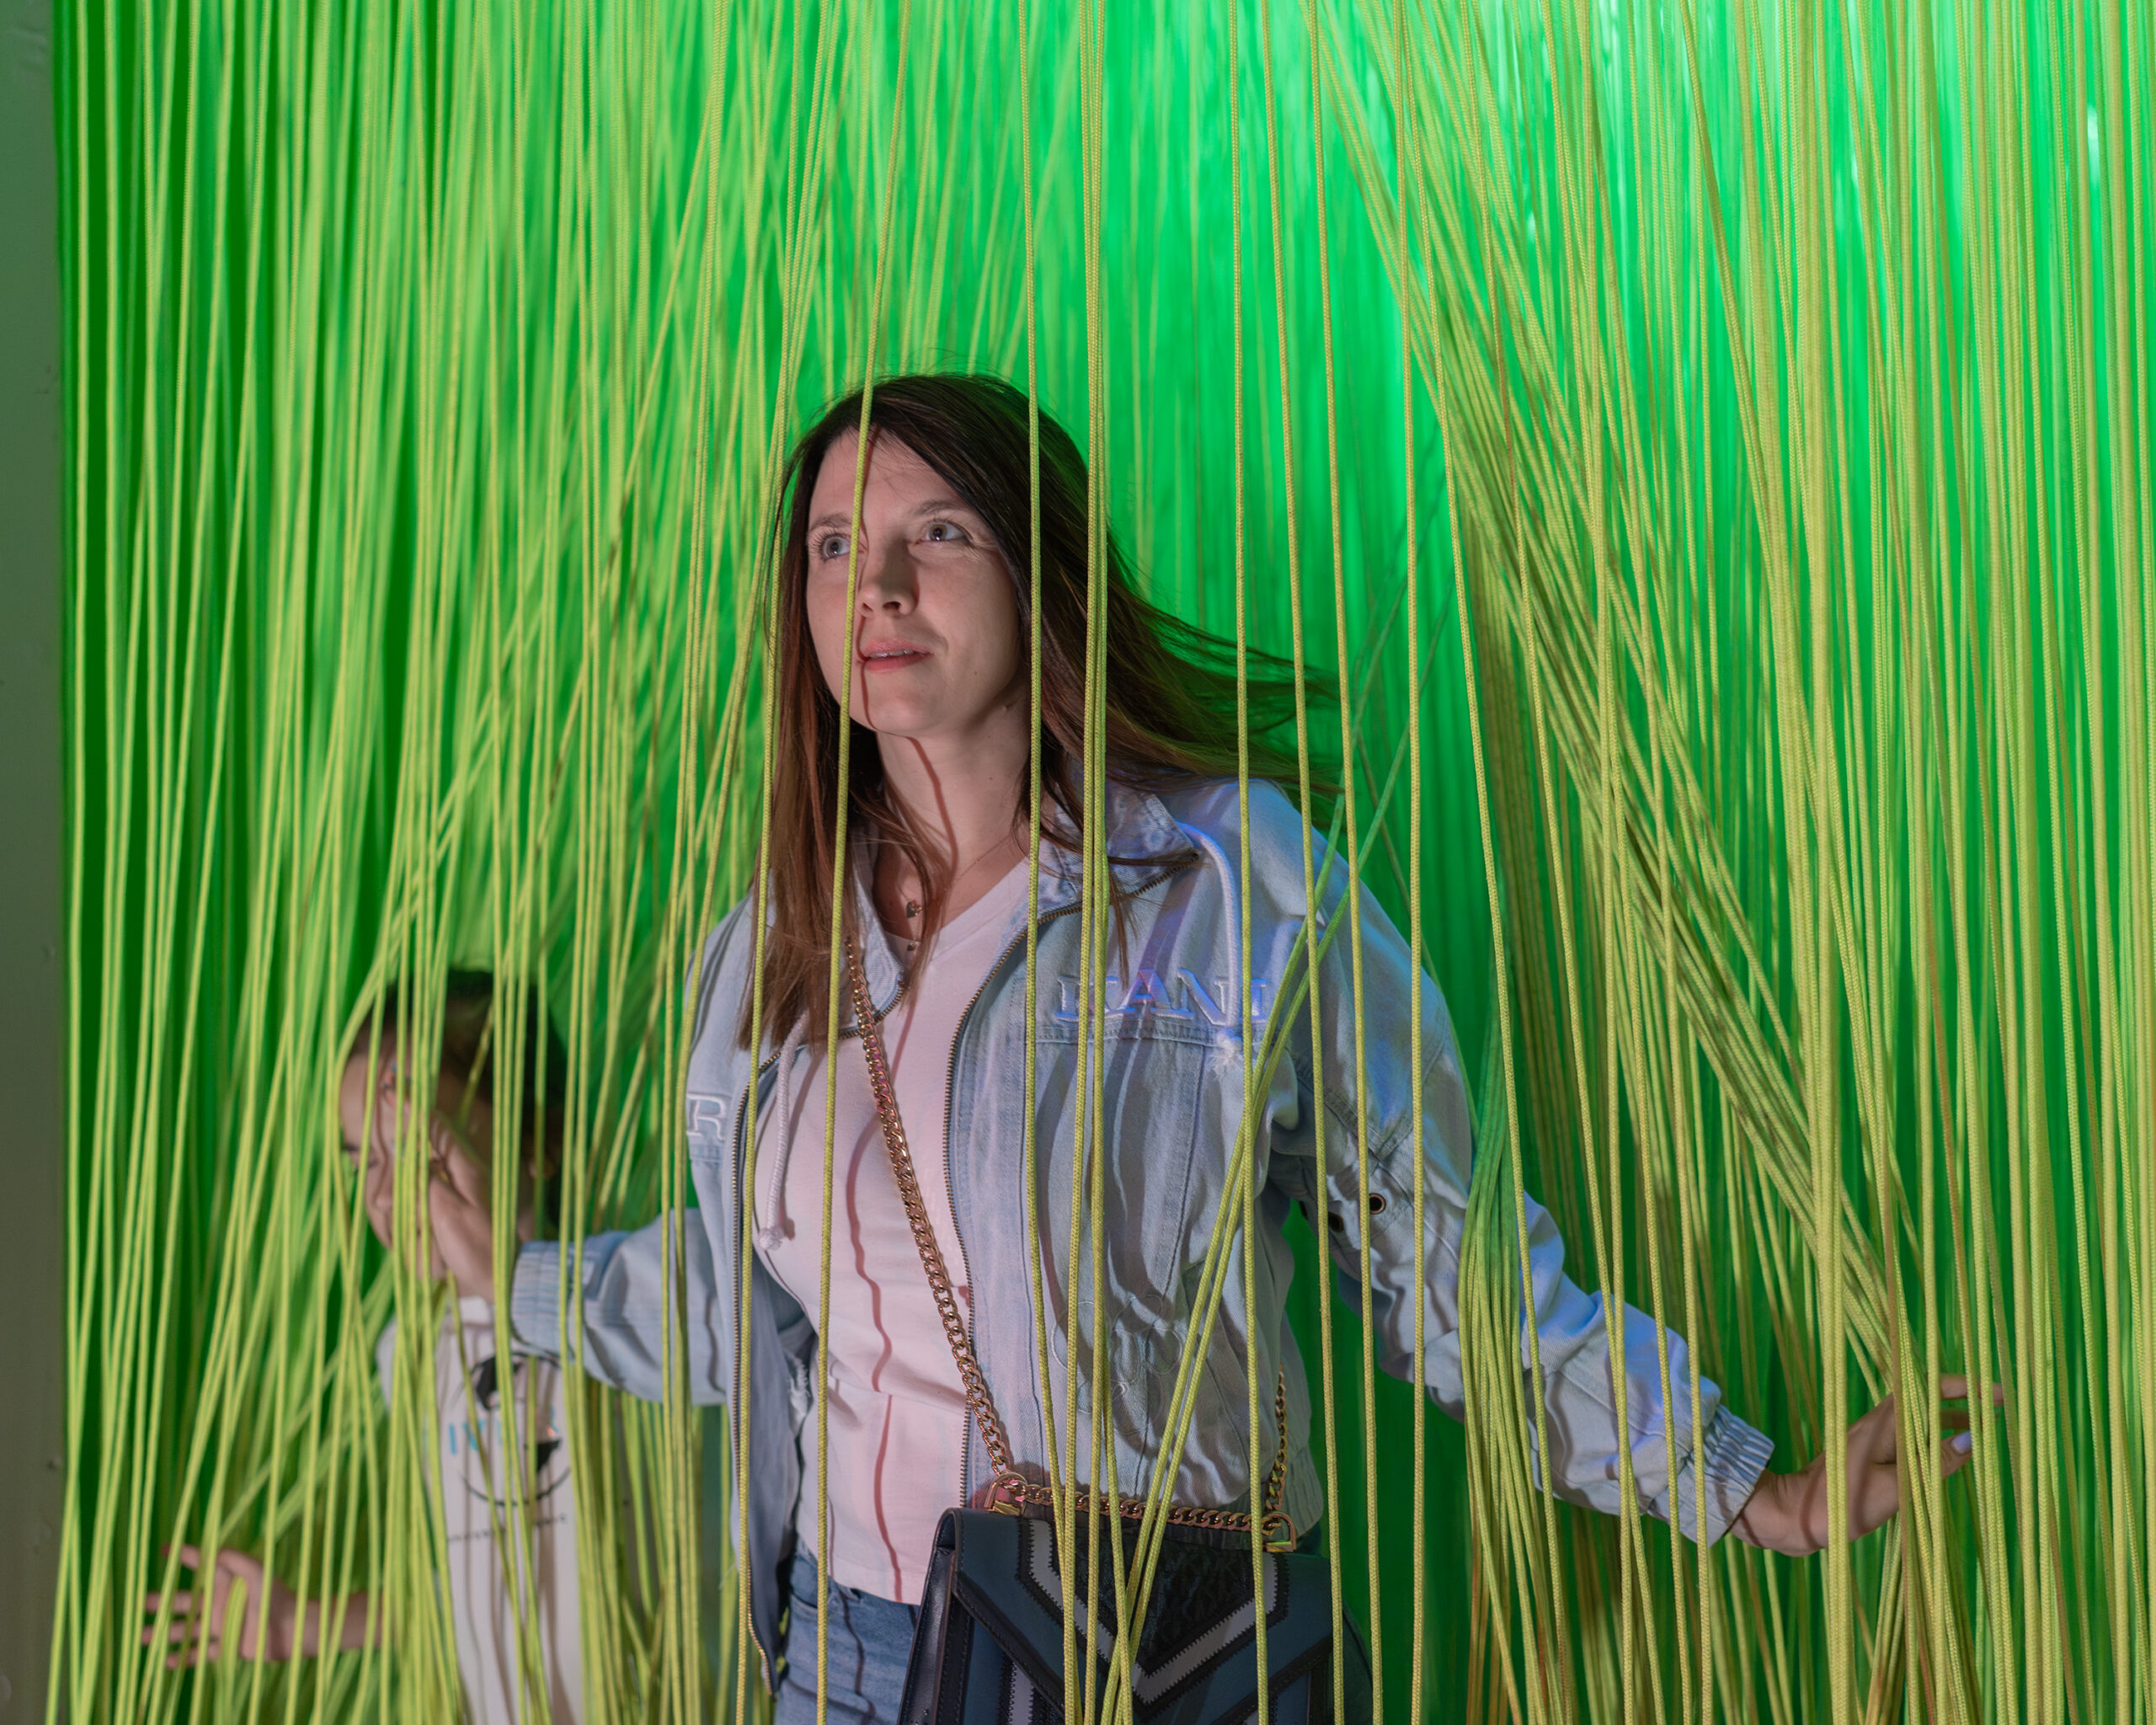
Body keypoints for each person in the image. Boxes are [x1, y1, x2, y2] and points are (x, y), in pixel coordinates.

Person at [419, 373, 1985, 1724]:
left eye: (935, 533)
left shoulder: (1236, 887)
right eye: (834, 545)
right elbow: (757, 1309)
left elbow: (1451, 1272)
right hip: (844, 1654)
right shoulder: (768, 945)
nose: (875, 586)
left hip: (1155, 1657)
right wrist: (519, 1281)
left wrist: (1746, 1486)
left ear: (1041, 567)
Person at [144, 972, 587, 1724]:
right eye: (363, 1162)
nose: (382, 1196)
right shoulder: (407, 1354)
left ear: (539, 1140)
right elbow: (471, 1582)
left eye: (416, 1146)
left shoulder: (627, 1310)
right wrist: (306, 1625)